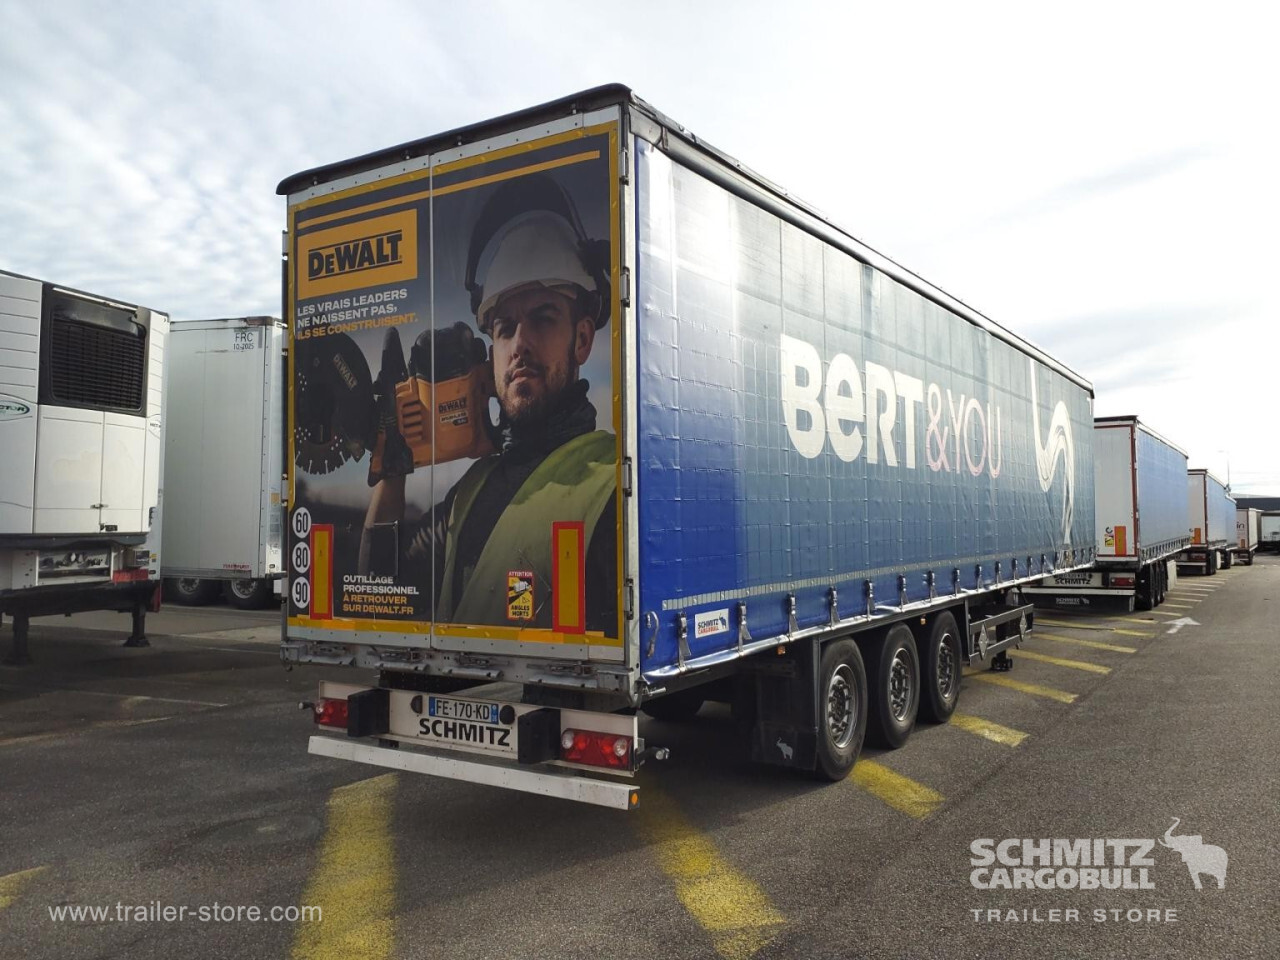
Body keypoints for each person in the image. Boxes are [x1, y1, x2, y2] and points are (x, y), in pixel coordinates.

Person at [360, 176, 616, 633]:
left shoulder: (614, 486)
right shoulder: (471, 494)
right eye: (505, 328)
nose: (520, 344)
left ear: (581, 340)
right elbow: (380, 590)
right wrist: (393, 465)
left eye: (542, 319)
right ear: (492, 354)